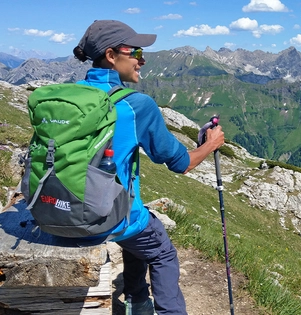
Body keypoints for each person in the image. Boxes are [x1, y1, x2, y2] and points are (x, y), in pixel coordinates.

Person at [73, 20, 224, 315]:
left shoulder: (70, 95)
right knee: (162, 252)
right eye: (136, 51)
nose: (143, 59)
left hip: (61, 207)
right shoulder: (135, 105)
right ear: (111, 55)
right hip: (102, 217)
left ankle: (137, 303)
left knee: (139, 227)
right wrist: (211, 144)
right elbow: (181, 164)